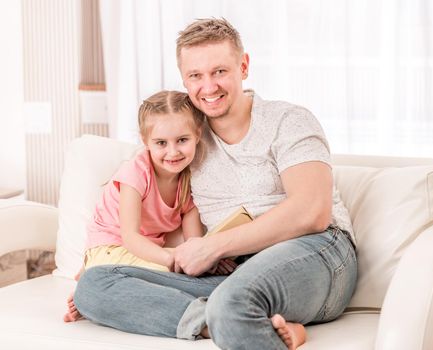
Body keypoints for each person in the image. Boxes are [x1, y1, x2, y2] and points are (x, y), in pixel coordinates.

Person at [72, 18, 358, 350]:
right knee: (95, 285)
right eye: (196, 76)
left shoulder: (288, 120)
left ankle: (232, 314)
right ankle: (234, 322)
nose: (208, 87)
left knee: (230, 301)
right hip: (234, 271)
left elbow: (312, 212)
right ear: (184, 80)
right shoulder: (184, 140)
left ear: (244, 66)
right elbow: (145, 207)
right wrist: (94, 265)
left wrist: (213, 247)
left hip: (316, 252)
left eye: (219, 71)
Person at [64, 89, 235, 320]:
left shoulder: (190, 182)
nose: (172, 152)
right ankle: (95, 288)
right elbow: (130, 237)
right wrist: (173, 259)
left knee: (195, 273)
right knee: (172, 273)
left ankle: (104, 296)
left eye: (182, 140)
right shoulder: (135, 174)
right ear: (146, 141)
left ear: (197, 134)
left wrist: (206, 258)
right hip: (111, 249)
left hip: (144, 253)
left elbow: (193, 241)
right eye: (161, 143)